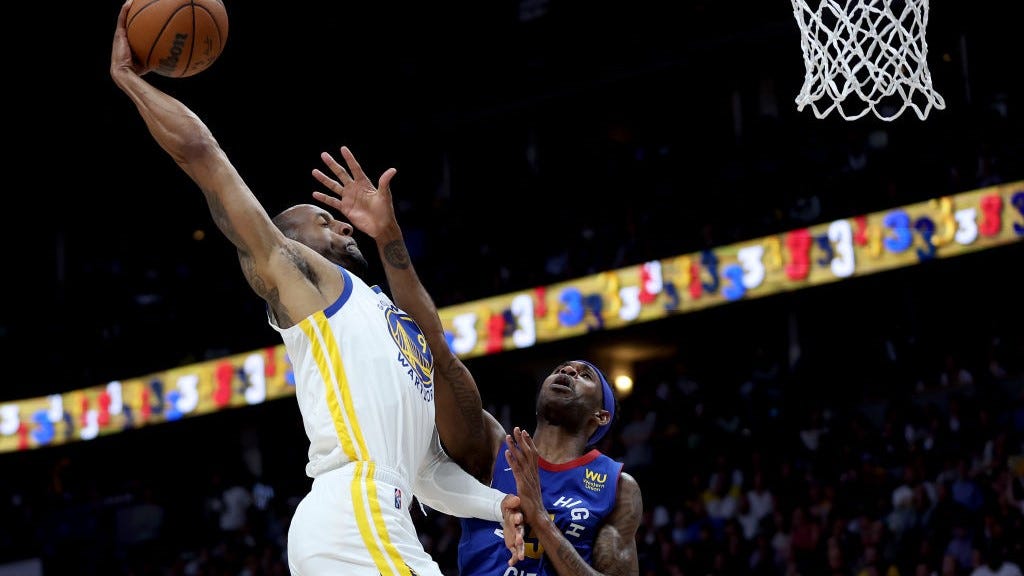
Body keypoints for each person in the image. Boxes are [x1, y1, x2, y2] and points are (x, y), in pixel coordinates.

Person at [108, 2, 524, 574]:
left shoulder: (385, 317)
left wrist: (495, 504)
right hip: (355, 514)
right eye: (322, 222)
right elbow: (205, 157)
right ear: (293, 246)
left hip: (379, 516)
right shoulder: (310, 288)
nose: (342, 224)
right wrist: (130, 81)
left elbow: (426, 473)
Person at [312, 150, 643, 575]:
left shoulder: (616, 487)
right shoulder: (492, 450)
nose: (567, 371)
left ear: (601, 415)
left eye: (585, 375)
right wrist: (387, 235)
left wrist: (539, 518)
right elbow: (436, 351)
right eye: (563, 367)